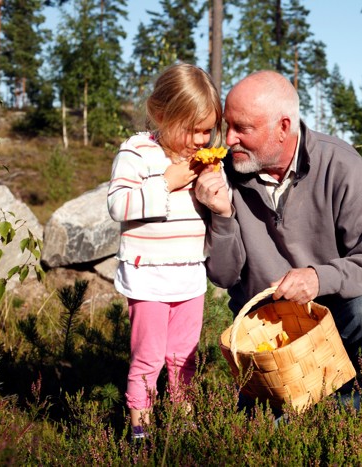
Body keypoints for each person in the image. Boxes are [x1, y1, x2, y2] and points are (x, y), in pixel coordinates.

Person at [194, 69, 362, 412]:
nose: (228, 140)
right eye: (226, 126)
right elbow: (224, 276)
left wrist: (319, 278)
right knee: (262, 436)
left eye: (242, 128)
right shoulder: (223, 174)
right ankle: (295, 408)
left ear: (283, 127)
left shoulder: (342, 166)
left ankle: (350, 396)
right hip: (266, 330)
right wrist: (223, 216)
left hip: (336, 315)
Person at [107, 63, 227, 441]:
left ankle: (184, 421)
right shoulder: (137, 152)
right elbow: (118, 205)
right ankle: (139, 428)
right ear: (161, 114)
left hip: (190, 275)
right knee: (148, 357)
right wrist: (166, 182)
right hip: (149, 276)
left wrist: (215, 193)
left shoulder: (204, 160)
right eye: (191, 128)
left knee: (184, 357)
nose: (200, 139)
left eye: (207, 130)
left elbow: (210, 212)